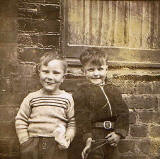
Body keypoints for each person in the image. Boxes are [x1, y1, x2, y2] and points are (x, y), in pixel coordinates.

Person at [15, 51, 76, 159]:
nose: (50, 77)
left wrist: (67, 138)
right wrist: (24, 140)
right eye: (45, 71)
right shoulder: (31, 97)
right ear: (39, 73)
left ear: (63, 78)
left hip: (56, 145)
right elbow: (21, 119)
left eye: (56, 73)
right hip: (33, 143)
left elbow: (72, 122)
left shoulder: (67, 98)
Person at [73, 48, 129, 159]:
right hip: (94, 137)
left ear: (106, 69)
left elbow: (123, 113)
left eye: (100, 69)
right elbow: (81, 117)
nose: (96, 74)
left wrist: (118, 133)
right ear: (83, 71)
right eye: (91, 70)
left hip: (112, 136)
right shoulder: (81, 91)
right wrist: (87, 138)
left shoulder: (114, 90)